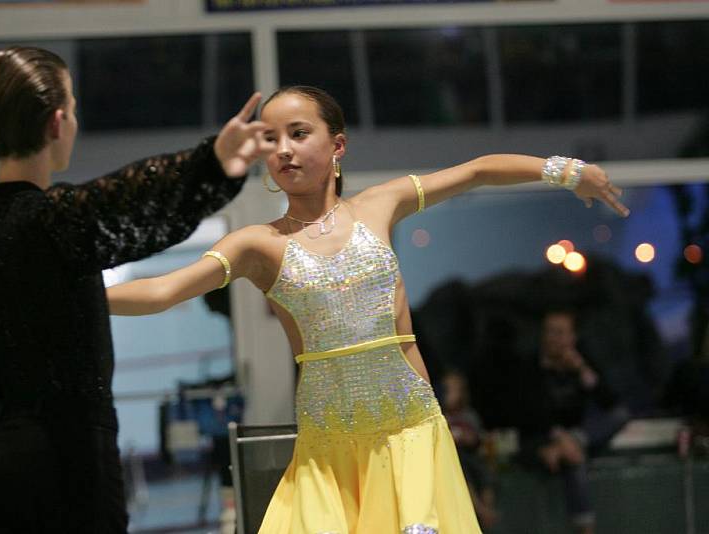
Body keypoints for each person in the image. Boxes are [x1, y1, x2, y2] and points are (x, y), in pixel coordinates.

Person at [107, 85, 630, 534]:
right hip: (327, 449)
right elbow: (162, 291)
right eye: (272, 140)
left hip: (408, 432)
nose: (284, 150)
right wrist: (72, 296)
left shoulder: (380, 205)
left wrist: (567, 170)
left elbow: (476, 171)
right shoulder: (258, 244)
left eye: (298, 133)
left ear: (337, 145)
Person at [0, 46, 273, 534]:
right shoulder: (57, 221)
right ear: (58, 123)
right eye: (75, 107)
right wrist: (213, 163)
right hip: (73, 470)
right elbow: (131, 200)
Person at [517, 309, 628, 534]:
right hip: (542, 437)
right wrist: (558, 438)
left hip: (578, 437)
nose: (552, 338)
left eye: (559, 333)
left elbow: (609, 402)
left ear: (572, 338)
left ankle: (569, 445)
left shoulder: (580, 362)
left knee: (619, 416)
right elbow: (529, 413)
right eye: (548, 332)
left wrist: (582, 369)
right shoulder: (530, 366)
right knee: (574, 459)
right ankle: (586, 529)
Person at [441, 370, 497, 530]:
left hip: (472, 456)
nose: (449, 394)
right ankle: (480, 511)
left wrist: (466, 437)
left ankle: (487, 509)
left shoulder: (469, 415)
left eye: (453, 389)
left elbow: (477, 439)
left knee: (485, 472)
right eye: (446, 389)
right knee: (462, 473)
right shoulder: (440, 415)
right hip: (452, 460)